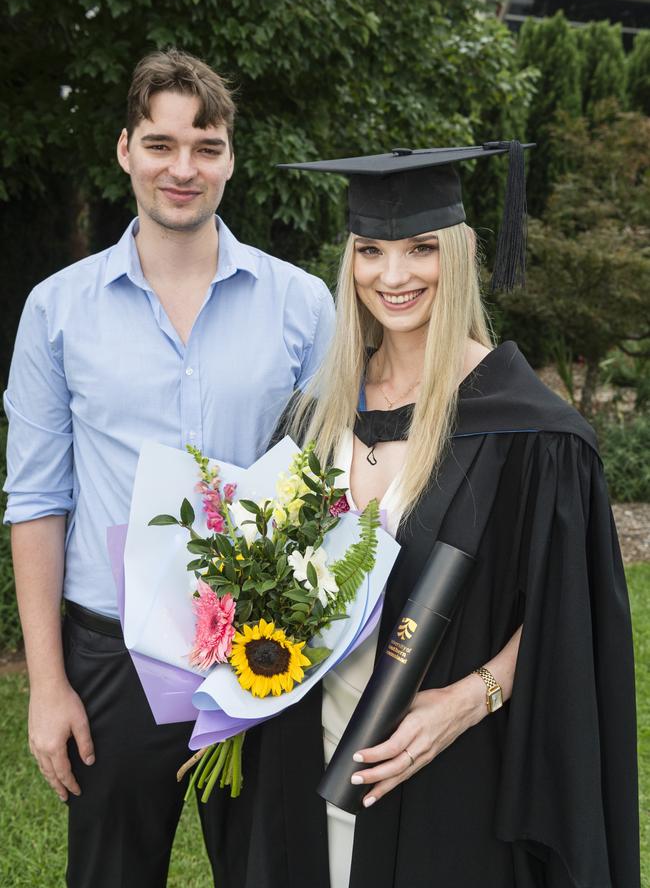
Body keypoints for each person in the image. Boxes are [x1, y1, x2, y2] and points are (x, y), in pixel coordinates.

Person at [201, 143, 640, 888]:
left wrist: (475, 697)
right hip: (305, 766)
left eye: (420, 249)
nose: (394, 275)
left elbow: (576, 613)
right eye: (370, 250)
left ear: (460, 256)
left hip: (448, 776)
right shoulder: (312, 419)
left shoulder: (534, 434)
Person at [3, 48, 334, 888]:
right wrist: (49, 685)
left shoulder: (303, 304)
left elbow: (328, 485)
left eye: (206, 146)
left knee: (275, 873)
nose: (182, 168)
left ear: (231, 157)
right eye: (161, 144)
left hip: (263, 654)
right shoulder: (57, 309)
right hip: (112, 655)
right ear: (125, 150)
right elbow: (38, 499)